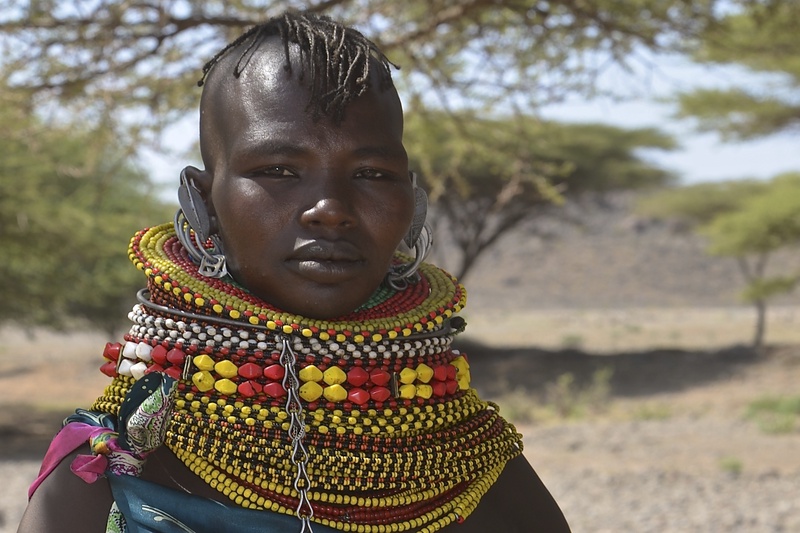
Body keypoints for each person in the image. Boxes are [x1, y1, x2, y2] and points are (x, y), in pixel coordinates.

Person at [19, 11, 570, 533]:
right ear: (205, 202)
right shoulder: (111, 462)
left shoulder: (471, 461)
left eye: (373, 172)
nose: (330, 207)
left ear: (413, 202)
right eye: (278, 170)